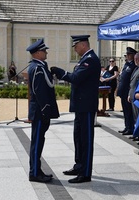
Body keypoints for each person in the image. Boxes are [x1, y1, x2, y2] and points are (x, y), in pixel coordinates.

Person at [51, 35, 101, 183]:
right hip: (81, 106)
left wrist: (61, 72)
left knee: (86, 140)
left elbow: (76, 78)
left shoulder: (90, 59)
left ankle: (85, 173)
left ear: (83, 45)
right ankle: (79, 165)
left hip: (86, 106)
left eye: (76, 46)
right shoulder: (85, 59)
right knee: (78, 138)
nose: (74, 49)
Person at [26, 39, 59, 183]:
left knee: (39, 142)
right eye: (44, 51)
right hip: (40, 112)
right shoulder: (38, 68)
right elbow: (39, 92)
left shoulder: (40, 66)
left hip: (41, 111)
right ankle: (34, 172)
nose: (46, 53)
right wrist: (46, 110)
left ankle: (37, 170)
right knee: (37, 142)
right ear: (38, 53)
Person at [117, 47, 137, 135]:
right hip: (123, 90)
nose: (127, 56)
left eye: (129, 55)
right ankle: (127, 126)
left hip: (127, 91)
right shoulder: (126, 64)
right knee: (125, 111)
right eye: (126, 55)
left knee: (129, 111)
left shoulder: (134, 65)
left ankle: (131, 128)